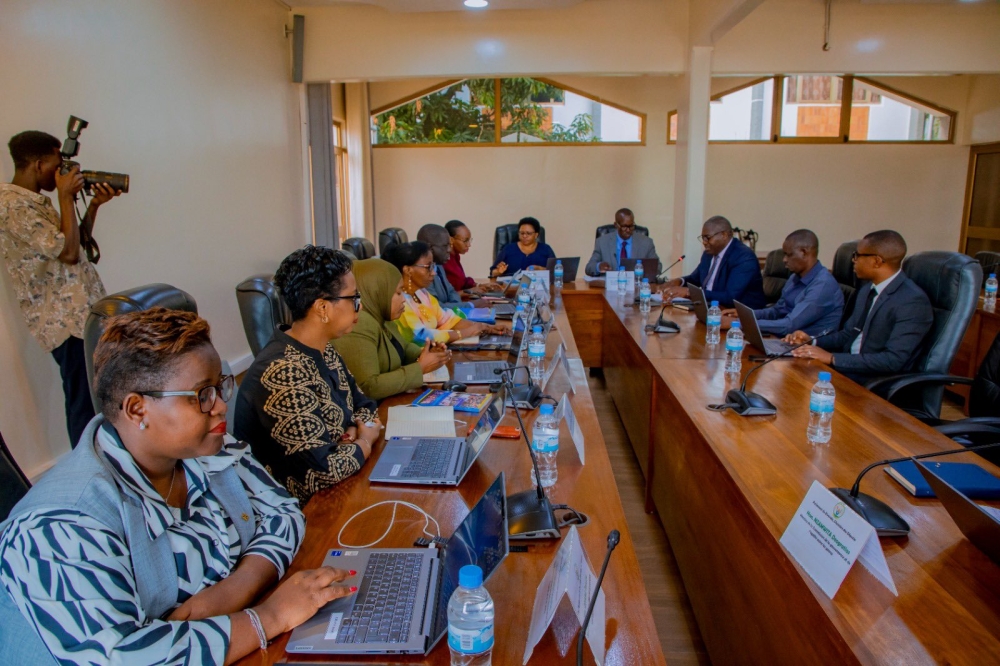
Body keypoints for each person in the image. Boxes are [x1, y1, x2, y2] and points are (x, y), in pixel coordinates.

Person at [0, 308, 356, 665]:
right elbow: (124, 657)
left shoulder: (205, 446)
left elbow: (283, 511)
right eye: (202, 394)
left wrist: (237, 588)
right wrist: (270, 617)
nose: (220, 406)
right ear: (137, 410)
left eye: (220, 386)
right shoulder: (60, 527)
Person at [0, 130, 121, 446]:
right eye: (57, 165)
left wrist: (93, 205)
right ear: (39, 163)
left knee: (101, 395)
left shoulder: (36, 202)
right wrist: (65, 197)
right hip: (64, 323)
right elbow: (67, 254)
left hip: (83, 315)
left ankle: (111, 460)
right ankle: (87, 473)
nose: (62, 173)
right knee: (83, 403)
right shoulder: (12, 206)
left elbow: (73, 245)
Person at [234, 245, 382, 504]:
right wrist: (365, 441)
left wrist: (349, 435)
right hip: (300, 510)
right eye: (354, 299)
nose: (359, 309)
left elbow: (365, 404)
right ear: (323, 308)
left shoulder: (323, 349)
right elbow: (322, 472)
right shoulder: (283, 370)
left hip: (342, 484)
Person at [786, 230, 933, 384]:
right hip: (848, 371)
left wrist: (832, 358)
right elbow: (848, 335)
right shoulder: (867, 290)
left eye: (857, 256)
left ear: (876, 261)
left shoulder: (912, 301)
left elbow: (893, 360)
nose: (853, 261)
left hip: (875, 382)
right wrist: (812, 342)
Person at [334, 258, 451, 401]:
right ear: (377, 291)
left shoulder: (383, 317)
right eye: (398, 293)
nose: (403, 299)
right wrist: (420, 368)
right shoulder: (358, 323)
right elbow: (367, 386)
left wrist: (426, 353)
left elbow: (402, 348)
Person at [721, 229, 843, 337]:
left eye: (788, 255)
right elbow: (777, 311)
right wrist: (745, 314)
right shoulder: (795, 277)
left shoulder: (822, 286)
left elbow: (789, 325)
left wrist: (738, 324)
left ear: (804, 253)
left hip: (809, 352)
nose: (784, 260)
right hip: (785, 341)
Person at [383, 241, 506, 343]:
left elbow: (447, 319)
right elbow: (419, 337)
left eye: (434, 266)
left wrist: (486, 328)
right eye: (428, 267)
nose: (433, 273)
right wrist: (465, 333)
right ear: (408, 270)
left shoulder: (421, 293)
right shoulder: (398, 300)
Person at [661, 215, 766, 308]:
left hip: (739, 317)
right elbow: (695, 279)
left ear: (724, 235)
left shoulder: (743, 257)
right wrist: (679, 281)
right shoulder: (709, 254)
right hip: (710, 308)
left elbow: (730, 297)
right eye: (702, 238)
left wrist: (688, 292)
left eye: (707, 238)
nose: (704, 242)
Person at [585, 208, 662, 277]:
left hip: (636, 288)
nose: (628, 230)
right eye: (624, 226)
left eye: (631, 226)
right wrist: (599, 266)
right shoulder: (602, 242)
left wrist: (642, 271)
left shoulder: (646, 243)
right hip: (610, 288)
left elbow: (658, 266)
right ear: (616, 225)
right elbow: (589, 267)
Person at [416, 223, 470, 309]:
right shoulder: (421, 272)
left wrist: (456, 306)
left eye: (449, 245)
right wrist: (470, 305)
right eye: (445, 246)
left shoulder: (439, 265)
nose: (449, 249)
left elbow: (451, 292)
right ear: (429, 247)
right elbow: (437, 307)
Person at [444, 219, 503, 294]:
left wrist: (480, 285)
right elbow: (447, 295)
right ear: (451, 240)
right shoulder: (444, 260)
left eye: (469, 240)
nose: (469, 245)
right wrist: (469, 291)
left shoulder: (455, 256)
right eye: (465, 241)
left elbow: (462, 281)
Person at [490, 217, 555, 277]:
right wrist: (499, 271)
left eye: (528, 233)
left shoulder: (545, 249)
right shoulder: (508, 249)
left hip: (538, 287)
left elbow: (555, 271)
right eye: (522, 233)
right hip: (512, 288)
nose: (524, 236)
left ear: (536, 235)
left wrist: (539, 269)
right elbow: (493, 272)